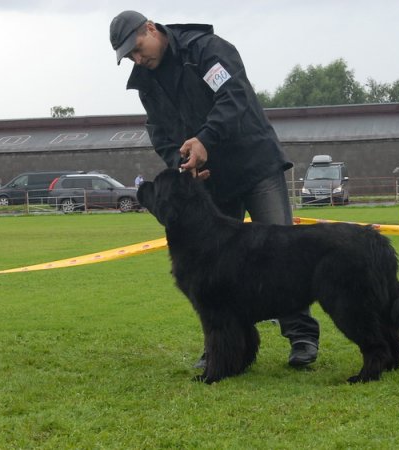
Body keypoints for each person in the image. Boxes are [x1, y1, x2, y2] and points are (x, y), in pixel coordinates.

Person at [110, 10, 319, 368]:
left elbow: (234, 97)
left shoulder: (204, 50)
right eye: (129, 56)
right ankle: (223, 346)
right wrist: (183, 166)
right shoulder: (146, 81)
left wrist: (205, 139)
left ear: (150, 28)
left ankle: (300, 336)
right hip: (211, 179)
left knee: (283, 254)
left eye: (137, 48)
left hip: (255, 166)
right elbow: (160, 131)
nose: (137, 58)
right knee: (217, 266)